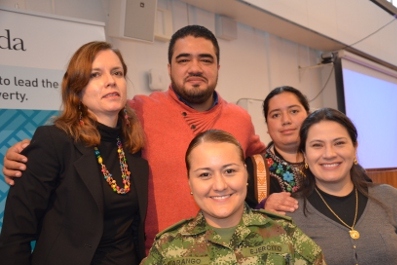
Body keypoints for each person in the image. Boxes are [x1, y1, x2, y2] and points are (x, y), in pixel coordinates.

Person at [2, 25, 266, 252]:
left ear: (218, 67)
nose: (195, 68)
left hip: (228, 254)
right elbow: (84, 123)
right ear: (169, 67)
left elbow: (267, 159)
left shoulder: (240, 118)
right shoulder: (138, 110)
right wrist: (25, 152)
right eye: (184, 59)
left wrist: (271, 195)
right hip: (157, 261)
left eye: (205, 60)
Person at [0, 41, 149, 265]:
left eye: (117, 73)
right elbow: (16, 235)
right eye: (95, 74)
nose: (110, 81)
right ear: (77, 91)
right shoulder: (54, 142)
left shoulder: (134, 148)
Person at [133, 129, 338, 265]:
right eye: (205, 174)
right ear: (190, 183)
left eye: (229, 171)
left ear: (246, 175)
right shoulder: (167, 251)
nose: (220, 185)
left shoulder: (287, 237)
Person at [287, 107, 397, 265]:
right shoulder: (291, 213)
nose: (329, 153)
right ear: (304, 154)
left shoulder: (390, 199)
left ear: (354, 149)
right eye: (317, 145)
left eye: (339, 143)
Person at [245, 86, 308, 214]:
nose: (286, 120)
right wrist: (262, 210)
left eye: (294, 111)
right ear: (267, 126)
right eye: (276, 115)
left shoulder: (327, 160)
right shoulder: (251, 169)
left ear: (309, 116)